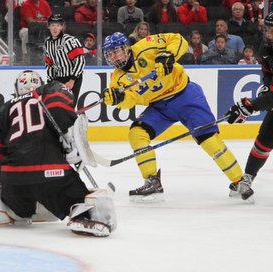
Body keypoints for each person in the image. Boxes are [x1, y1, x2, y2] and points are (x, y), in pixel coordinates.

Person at [0, 70, 117, 237]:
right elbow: (60, 108)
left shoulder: (3, 111)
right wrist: (69, 143)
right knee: (74, 198)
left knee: (18, 209)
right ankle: (86, 214)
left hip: (14, 182)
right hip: (52, 176)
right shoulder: (49, 91)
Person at [101, 32, 254, 202]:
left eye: (116, 52)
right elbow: (131, 99)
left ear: (126, 48)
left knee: (208, 138)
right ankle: (152, 181)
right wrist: (119, 99)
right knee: (137, 132)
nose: (113, 57)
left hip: (185, 95)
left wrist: (169, 54)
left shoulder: (146, 46)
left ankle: (239, 180)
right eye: (109, 54)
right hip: (160, 107)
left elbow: (178, 39)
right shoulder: (117, 78)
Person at [225, 12, 273, 194]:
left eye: (272, 31)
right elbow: (268, 72)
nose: (268, 34)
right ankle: (248, 177)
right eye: (267, 29)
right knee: (264, 140)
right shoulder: (268, 47)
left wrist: (250, 106)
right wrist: (267, 86)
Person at [44, 14, 86, 106]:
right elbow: (49, 63)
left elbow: (80, 60)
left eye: (58, 25)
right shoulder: (47, 42)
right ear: (49, 26)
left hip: (72, 77)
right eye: (52, 25)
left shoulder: (69, 41)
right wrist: (50, 81)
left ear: (62, 27)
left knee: (69, 106)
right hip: (58, 78)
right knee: (56, 105)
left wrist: (72, 80)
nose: (55, 28)